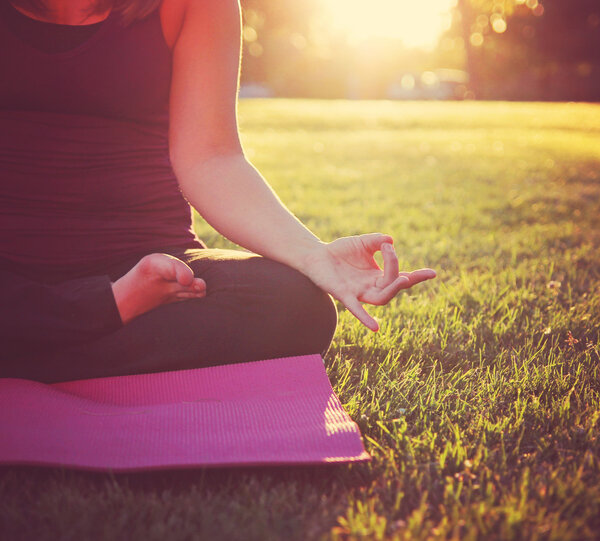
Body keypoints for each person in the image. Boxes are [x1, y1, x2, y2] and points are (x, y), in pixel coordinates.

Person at [0, 0, 435, 383]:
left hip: (149, 272)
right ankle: (102, 315)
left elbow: (211, 158)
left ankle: (29, 345)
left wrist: (311, 254)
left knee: (295, 307)